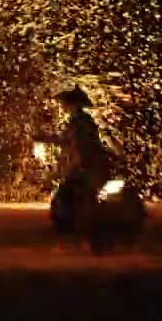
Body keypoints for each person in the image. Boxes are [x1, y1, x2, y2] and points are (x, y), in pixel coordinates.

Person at [32, 85, 111, 234]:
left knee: (74, 195)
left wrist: (46, 139)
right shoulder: (80, 121)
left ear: (73, 105)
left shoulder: (81, 122)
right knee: (73, 195)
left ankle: (83, 227)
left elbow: (75, 142)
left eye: (65, 104)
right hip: (84, 163)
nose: (63, 107)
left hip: (86, 164)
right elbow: (67, 140)